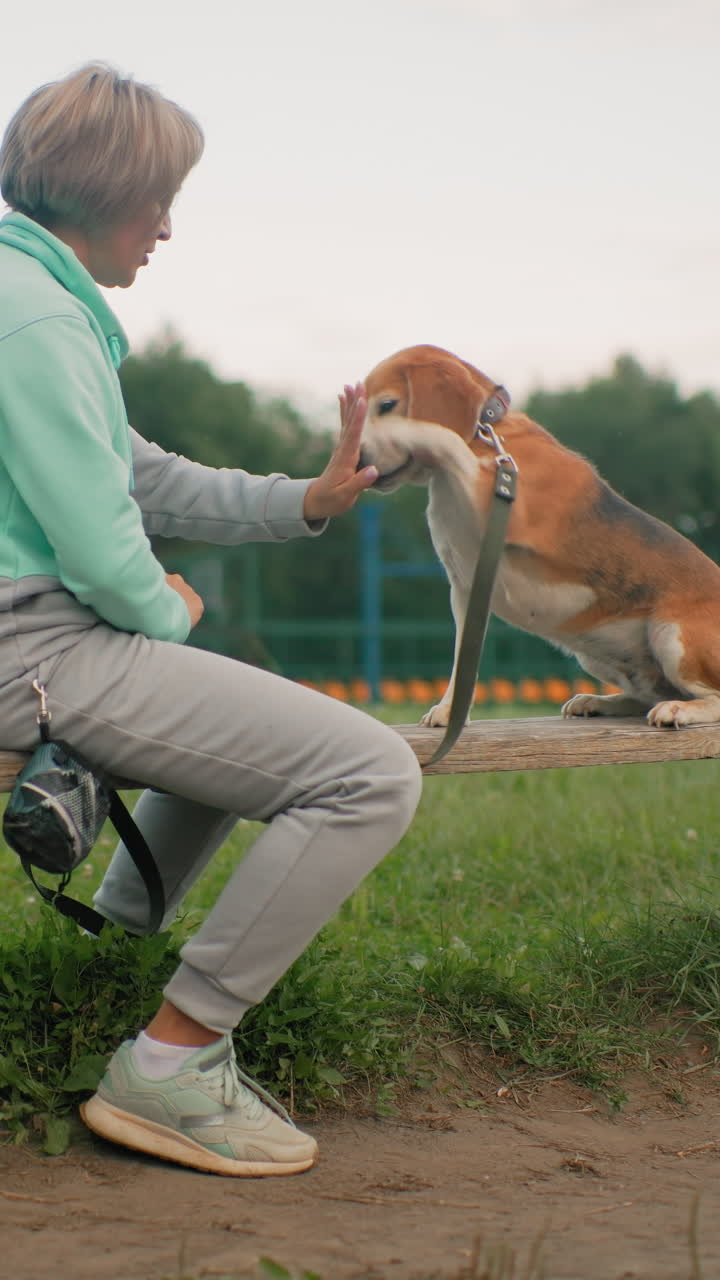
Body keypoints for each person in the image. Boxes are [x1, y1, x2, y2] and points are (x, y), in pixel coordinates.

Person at [0, 64, 422, 1177]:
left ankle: (109, 958)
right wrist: (165, 610)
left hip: (34, 641)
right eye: (159, 200)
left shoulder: (30, 300)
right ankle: (172, 1064)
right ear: (101, 193)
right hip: (28, 650)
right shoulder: (34, 317)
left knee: (245, 726)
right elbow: (102, 549)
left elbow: (143, 474)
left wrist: (305, 502)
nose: (167, 228)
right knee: (370, 773)